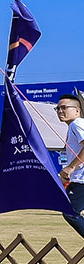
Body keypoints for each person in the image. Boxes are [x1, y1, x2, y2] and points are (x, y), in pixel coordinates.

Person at [59, 93, 84, 237]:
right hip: (78, 179)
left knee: (70, 211)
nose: (60, 111)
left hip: (82, 180)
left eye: (64, 107)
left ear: (77, 111)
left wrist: (72, 167)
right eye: (57, 108)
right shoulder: (74, 127)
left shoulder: (77, 124)